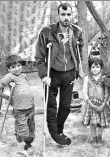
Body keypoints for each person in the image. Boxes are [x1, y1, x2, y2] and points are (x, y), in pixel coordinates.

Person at [35, 3, 84, 145]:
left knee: (65, 106)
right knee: (51, 105)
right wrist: (44, 76)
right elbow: (39, 57)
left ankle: (58, 130)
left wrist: (79, 68)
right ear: (58, 16)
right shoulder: (47, 32)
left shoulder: (77, 31)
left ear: (72, 15)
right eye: (63, 14)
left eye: (69, 14)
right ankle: (55, 133)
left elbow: (79, 51)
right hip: (52, 74)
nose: (66, 17)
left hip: (68, 73)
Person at [0, 55, 36, 153]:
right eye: (13, 67)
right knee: (22, 134)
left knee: (31, 128)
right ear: (9, 69)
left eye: (18, 65)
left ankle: (28, 144)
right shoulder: (9, 77)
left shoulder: (23, 76)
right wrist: (9, 99)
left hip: (30, 107)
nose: (17, 68)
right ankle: (19, 132)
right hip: (19, 110)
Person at [81, 57, 110, 148]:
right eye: (93, 67)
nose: (95, 69)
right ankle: (94, 138)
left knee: (100, 123)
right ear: (90, 68)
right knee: (93, 123)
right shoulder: (87, 78)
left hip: (101, 105)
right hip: (91, 104)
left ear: (101, 68)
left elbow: (106, 92)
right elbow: (84, 92)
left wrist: (104, 104)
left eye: (97, 67)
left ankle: (99, 138)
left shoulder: (104, 78)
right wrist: (90, 104)